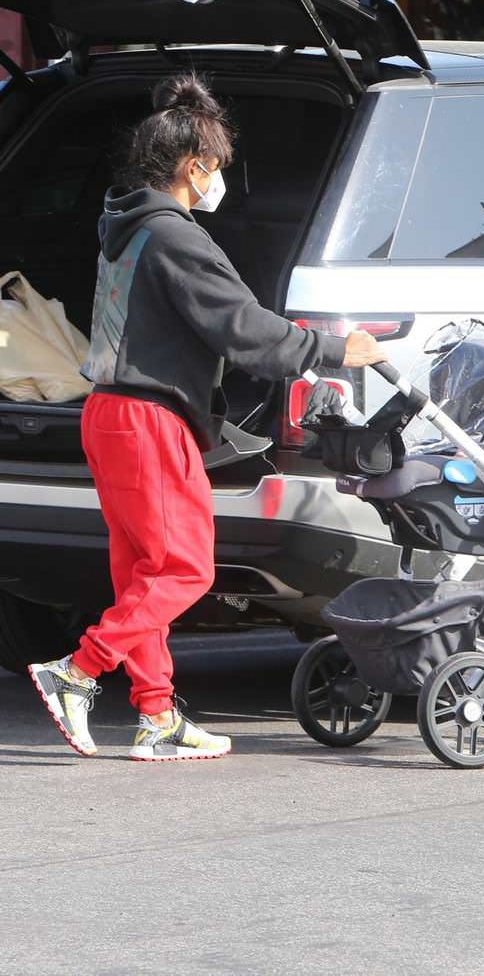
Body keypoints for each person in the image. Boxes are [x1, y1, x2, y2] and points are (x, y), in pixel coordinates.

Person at [28, 72, 386, 762]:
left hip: (107, 412)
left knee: (145, 573)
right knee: (186, 570)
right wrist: (340, 349)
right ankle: (78, 670)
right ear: (196, 166)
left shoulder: (124, 228)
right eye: (219, 166)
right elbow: (245, 328)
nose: (220, 180)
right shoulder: (175, 236)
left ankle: (157, 716)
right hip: (149, 420)